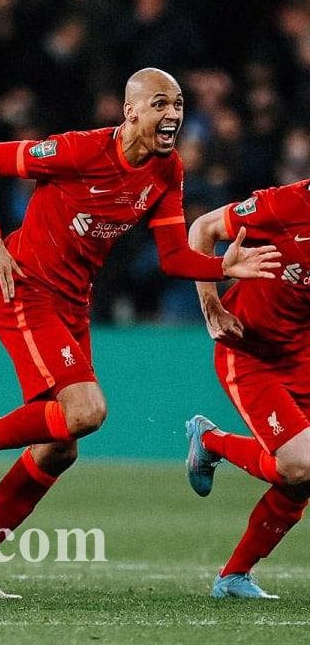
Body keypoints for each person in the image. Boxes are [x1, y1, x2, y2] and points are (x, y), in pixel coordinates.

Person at [0, 67, 281, 598]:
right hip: (26, 288)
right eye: (161, 103)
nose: (174, 114)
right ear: (131, 111)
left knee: (59, 449)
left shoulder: (167, 170)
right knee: (87, 412)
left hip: (72, 304)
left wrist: (223, 269)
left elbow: (172, 256)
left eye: (179, 104)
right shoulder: (80, 151)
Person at [184, 180, 309, 599]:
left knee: (303, 474)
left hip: (304, 358)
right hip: (249, 351)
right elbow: (201, 229)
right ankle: (212, 441)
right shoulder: (283, 204)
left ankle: (233, 576)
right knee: (299, 466)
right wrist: (211, 305)